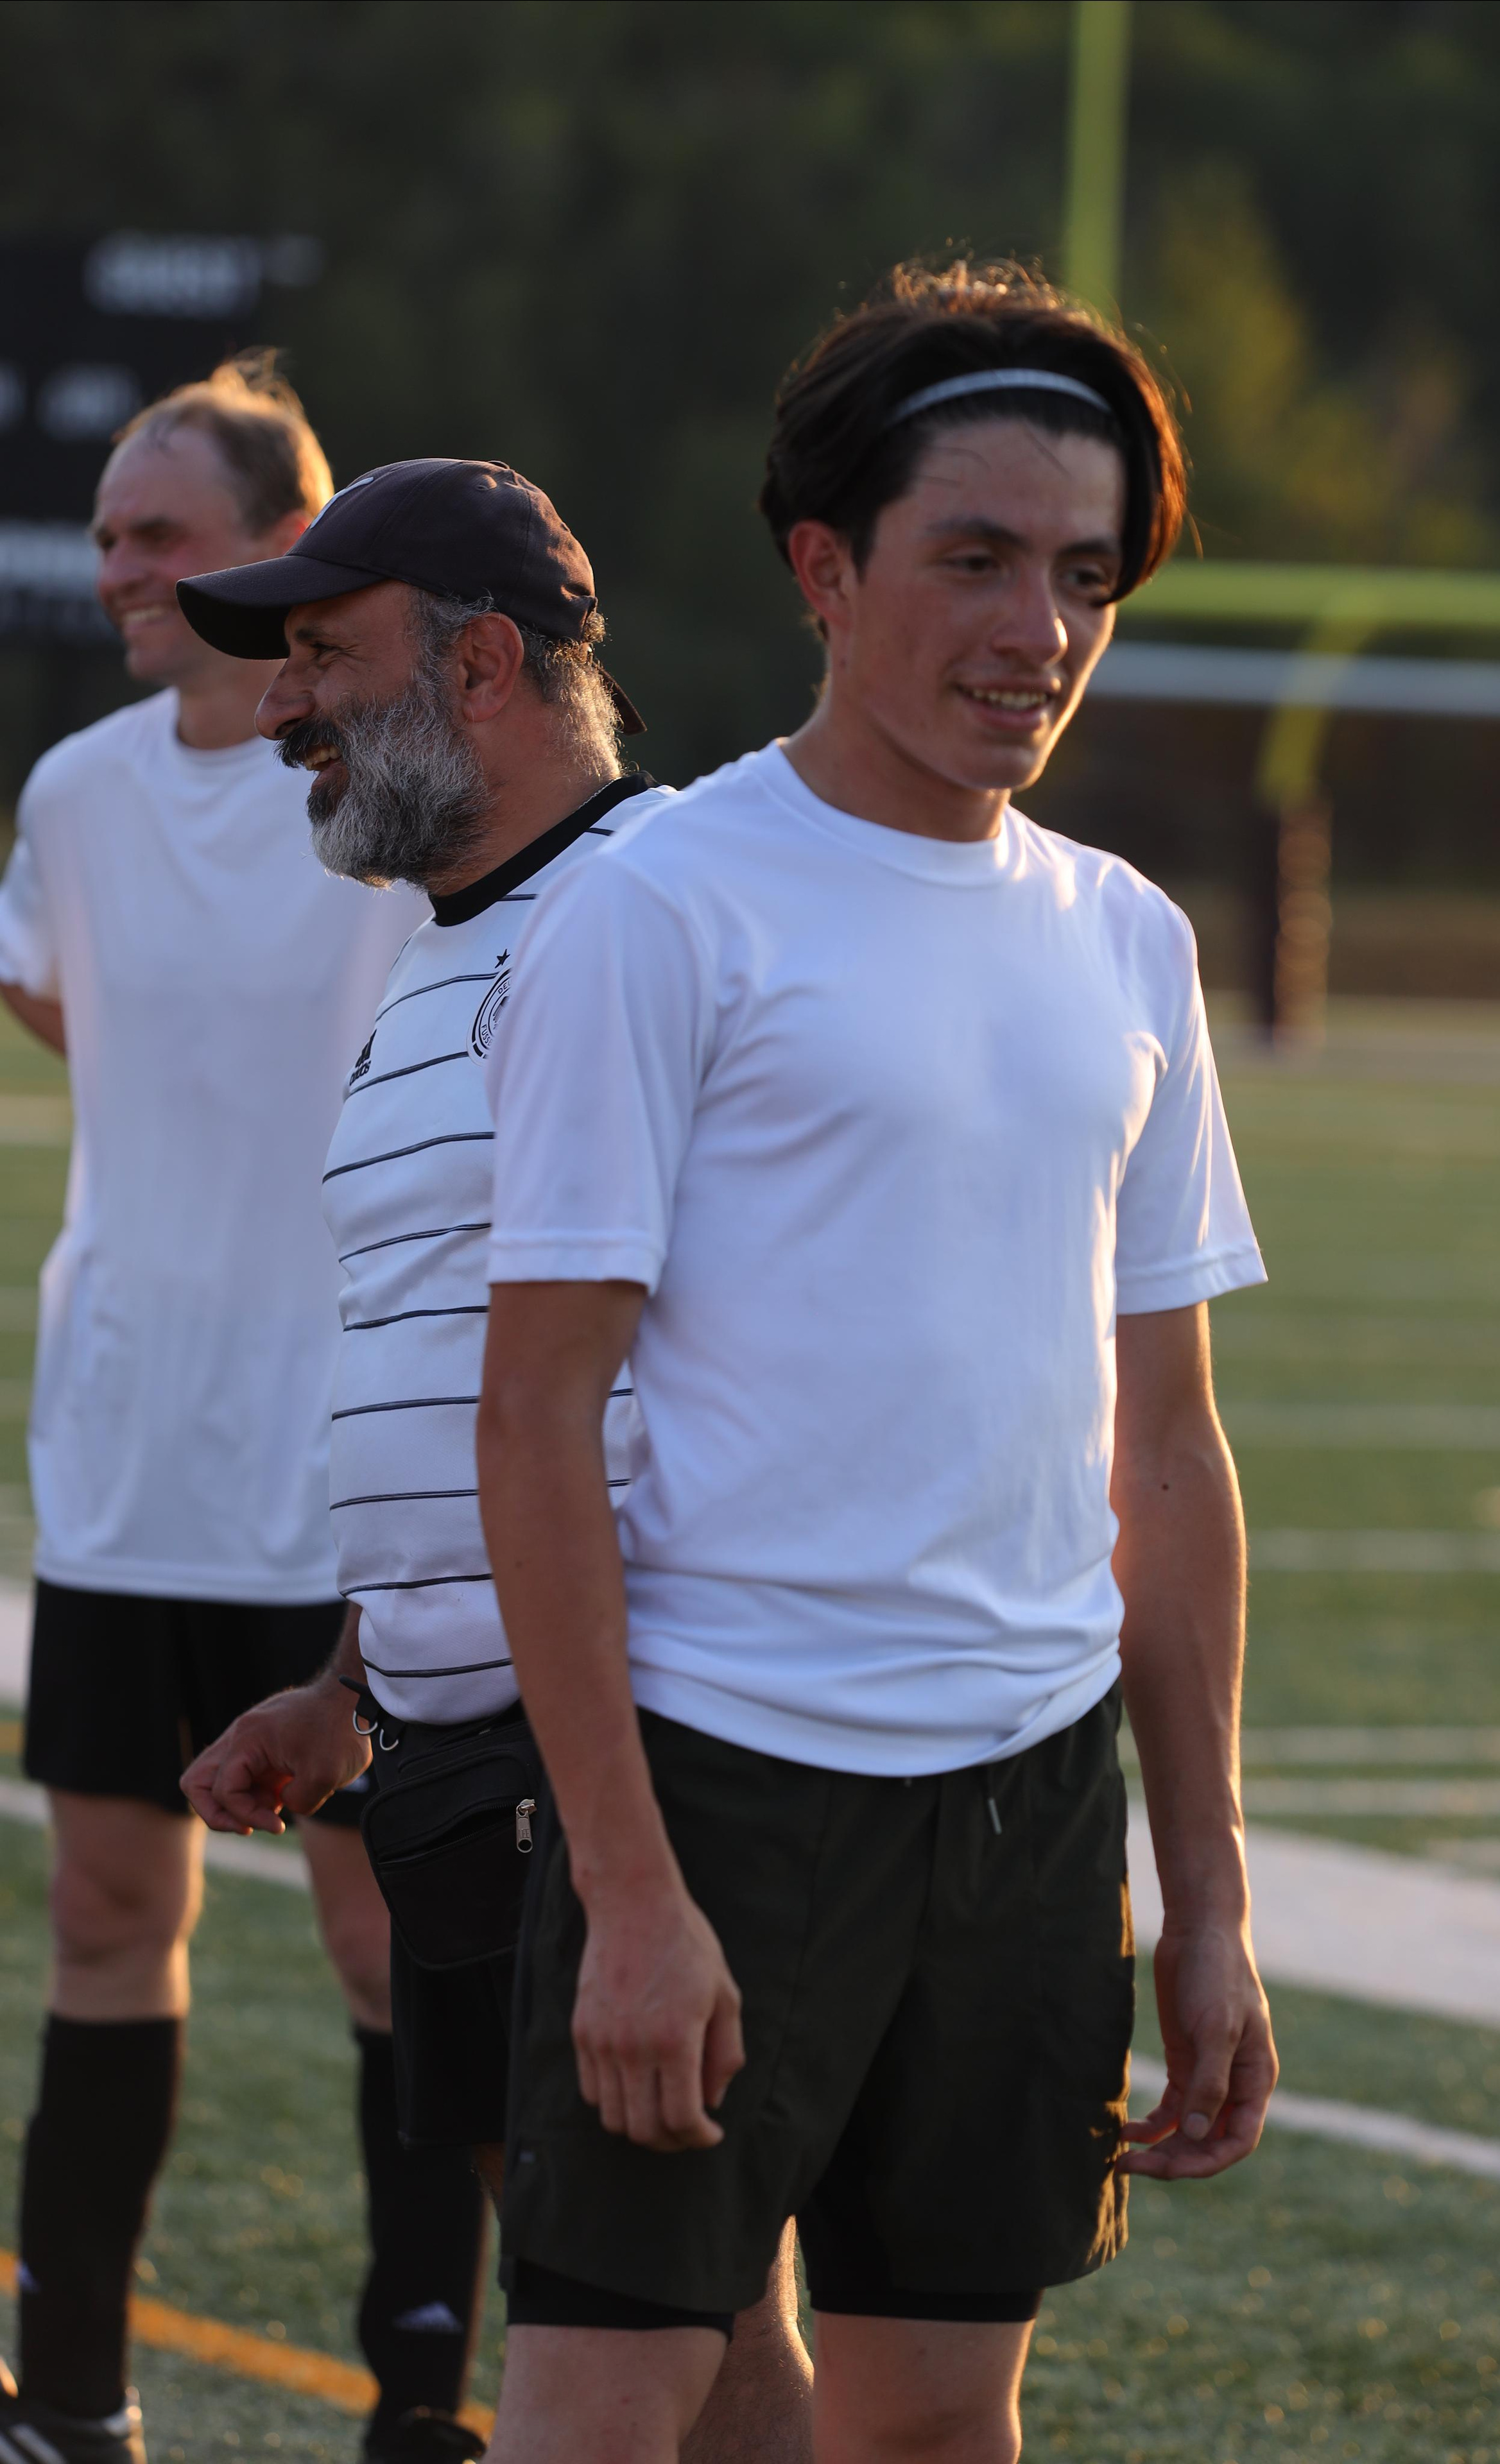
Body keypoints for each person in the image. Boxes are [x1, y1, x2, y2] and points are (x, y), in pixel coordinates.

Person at [472, 259, 1280, 2464]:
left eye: (1088, 575)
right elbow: (533, 1415)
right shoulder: (664, 905)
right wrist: (629, 1889)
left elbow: (1170, 1449)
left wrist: (1206, 1899)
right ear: (825, 571)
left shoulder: (1128, 937)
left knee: (935, 2425)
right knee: (604, 2421)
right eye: (979, 560)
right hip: (723, 1782)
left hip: (1032, 1802)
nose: (1041, 630)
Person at [172, 457, 814, 2463]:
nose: (281, 707)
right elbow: (468, 1367)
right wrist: (353, 1682)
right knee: (664, 2312)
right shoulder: (453, 944)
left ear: (482, 664)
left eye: (322, 655)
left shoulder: (658, 911)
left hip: (617, 1740)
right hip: (461, 1745)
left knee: (660, 2319)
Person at [0, 369, 490, 2464]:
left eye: (163, 534)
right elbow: (60, 997)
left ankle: (421, 2409)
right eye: (110, 533)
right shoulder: (74, 794)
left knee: (386, 1943)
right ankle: (71, 2403)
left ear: (284, 558)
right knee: (108, 1923)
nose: (122, 567)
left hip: (336, 1471)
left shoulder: (385, 797)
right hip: (127, 1456)